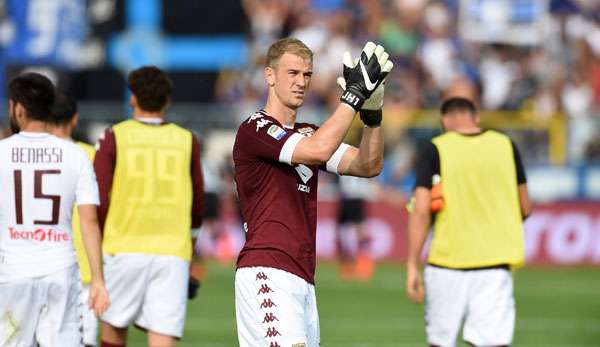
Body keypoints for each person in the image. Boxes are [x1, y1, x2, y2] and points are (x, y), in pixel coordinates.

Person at [233, 38, 393, 346]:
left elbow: (367, 165)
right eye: (292, 73)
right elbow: (318, 151)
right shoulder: (255, 128)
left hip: (302, 275)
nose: (300, 82)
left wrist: (372, 116)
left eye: (306, 75)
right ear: (269, 75)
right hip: (267, 268)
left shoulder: (307, 132)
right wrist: (354, 95)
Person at [405, 97, 533, 347]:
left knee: (441, 343)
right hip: (495, 264)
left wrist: (412, 265)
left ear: (445, 120)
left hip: (446, 263)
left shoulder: (435, 148)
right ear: (475, 117)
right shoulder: (505, 144)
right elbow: (526, 207)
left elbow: (420, 212)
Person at [94, 66, 204, 347]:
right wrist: (190, 249)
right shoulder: (186, 139)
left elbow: (99, 197)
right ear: (167, 100)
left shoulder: (114, 136)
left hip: (123, 245)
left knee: (113, 331)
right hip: (172, 251)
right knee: (162, 336)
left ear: (133, 98)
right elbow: (198, 203)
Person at [0, 72, 109, 346]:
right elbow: (89, 222)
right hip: (60, 269)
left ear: (19, 109)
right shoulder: (75, 155)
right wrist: (97, 280)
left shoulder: (2, 152)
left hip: (13, 271)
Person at [48, 92, 99, 347]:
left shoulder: (29, 155)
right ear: (75, 119)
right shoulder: (91, 155)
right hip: (86, 264)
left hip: (41, 262)